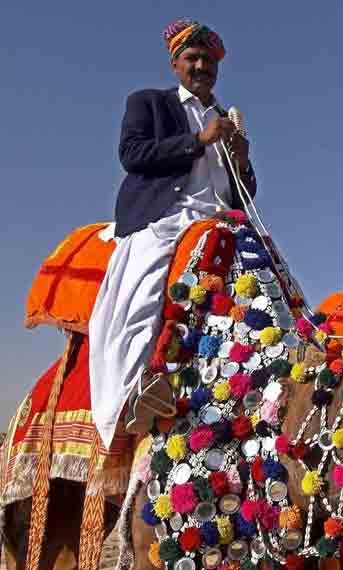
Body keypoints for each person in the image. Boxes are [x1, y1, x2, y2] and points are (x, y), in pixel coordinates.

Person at [89, 19, 257, 447]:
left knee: (274, 289)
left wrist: (242, 160)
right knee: (143, 289)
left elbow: (245, 193)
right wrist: (198, 140)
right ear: (175, 64)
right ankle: (130, 395)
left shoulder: (226, 119)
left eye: (208, 60)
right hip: (167, 217)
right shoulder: (150, 102)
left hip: (223, 222)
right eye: (192, 58)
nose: (201, 66)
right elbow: (132, 155)